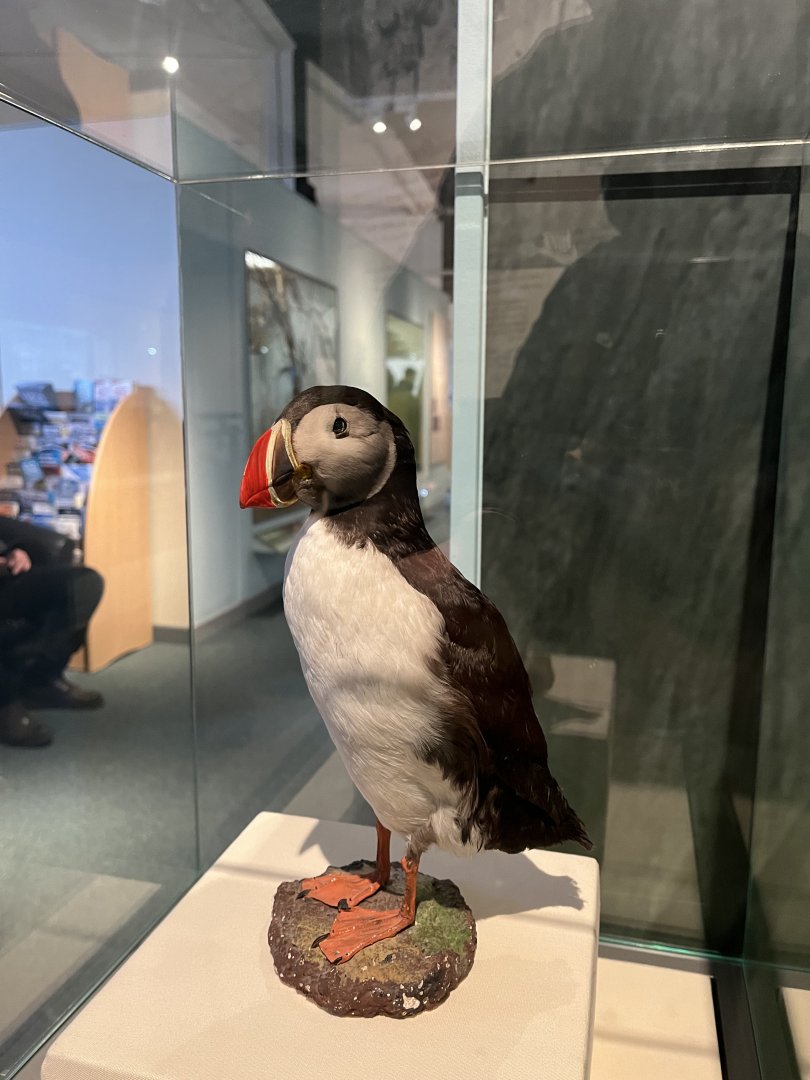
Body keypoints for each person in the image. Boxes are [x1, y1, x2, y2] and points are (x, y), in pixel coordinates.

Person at [0, 520, 104, 748]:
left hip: (7, 579)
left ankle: (42, 679)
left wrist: (18, 551)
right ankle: (5, 703)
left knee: (81, 584)